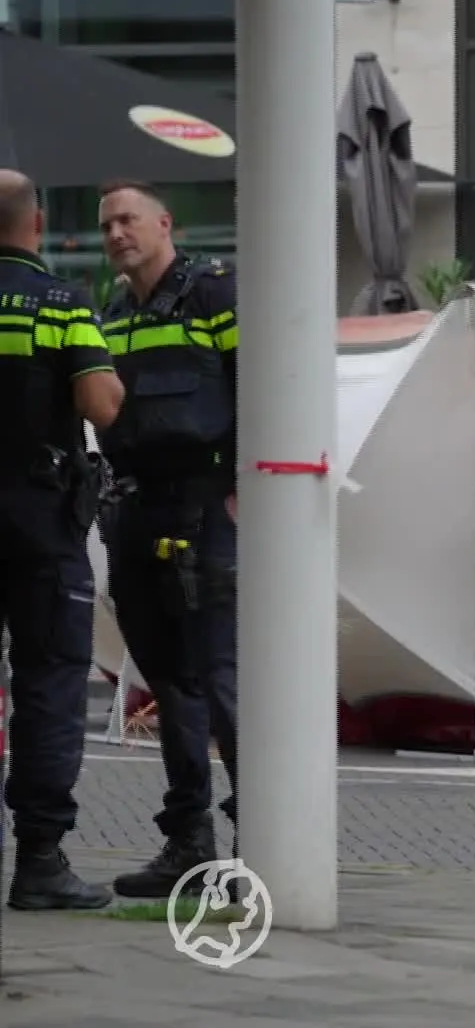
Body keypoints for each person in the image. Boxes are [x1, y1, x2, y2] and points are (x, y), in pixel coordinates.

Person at [95, 179, 242, 895]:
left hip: (207, 508)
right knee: (171, 685)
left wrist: (247, 486)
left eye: (128, 220)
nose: (117, 233)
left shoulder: (214, 293)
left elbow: (262, 384)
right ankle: (191, 845)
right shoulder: (114, 309)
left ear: (164, 223)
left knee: (219, 680)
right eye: (107, 225)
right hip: (135, 511)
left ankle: (264, 842)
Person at [0, 171, 124, 910]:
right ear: (37, 224)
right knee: (48, 680)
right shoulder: (63, 303)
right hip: (41, 520)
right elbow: (102, 406)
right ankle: (40, 861)